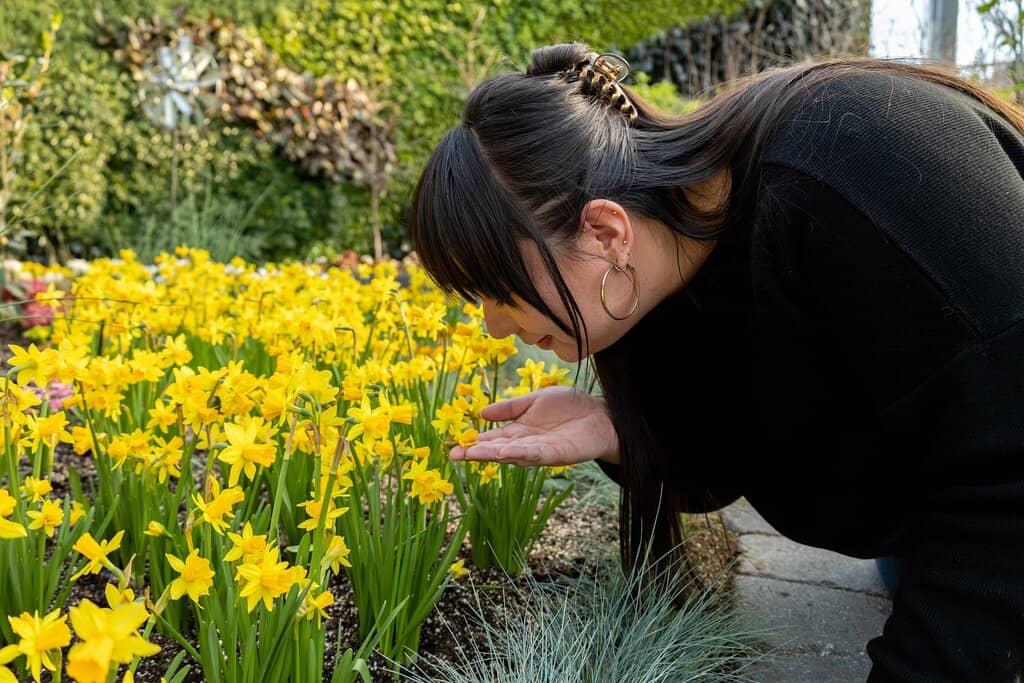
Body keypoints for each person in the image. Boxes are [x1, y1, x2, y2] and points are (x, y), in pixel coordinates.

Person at [406, 42, 1024, 681]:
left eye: (500, 291)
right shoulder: (673, 264)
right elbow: (742, 453)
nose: (495, 325)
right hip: (919, 524)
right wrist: (623, 433)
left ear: (607, 233)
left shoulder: (864, 158)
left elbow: (1007, 485)